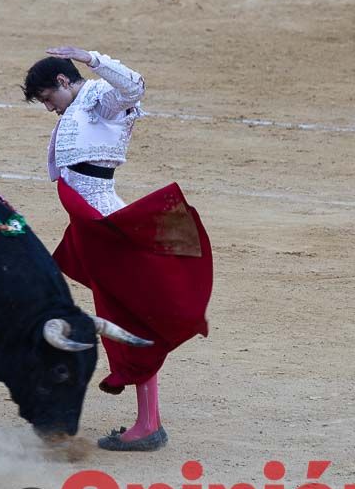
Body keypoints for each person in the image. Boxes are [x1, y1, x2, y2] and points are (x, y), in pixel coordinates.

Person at [22, 47, 213, 452]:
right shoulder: (81, 108)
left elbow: (134, 87)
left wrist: (92, 58)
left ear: (62, 82)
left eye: (47, 99)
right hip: (94, 224)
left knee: (130, 318)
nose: (49, 109)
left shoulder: (95, 98)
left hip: (107, 223)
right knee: (125, 317)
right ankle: (148, 422)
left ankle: (148, 425)